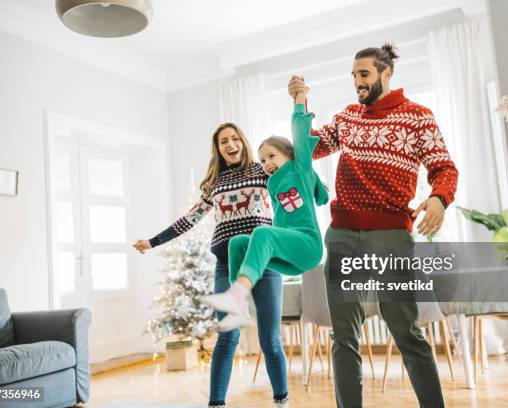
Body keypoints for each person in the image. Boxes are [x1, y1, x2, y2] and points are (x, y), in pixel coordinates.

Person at [287, 43, 459, 408]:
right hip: (343, 234)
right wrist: (300, 102)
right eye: (353, 76)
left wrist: (439, 199)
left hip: (391, 236)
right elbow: (308, 150)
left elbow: (444, 168)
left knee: (405, 330)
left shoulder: (417, 117)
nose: (357, 83)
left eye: (363, 74)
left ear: (386, 74)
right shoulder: (348, 117)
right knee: (344, 335)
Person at [133, 123, 289, 408]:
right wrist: (153, 241)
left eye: (234, 139)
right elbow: (188, 220)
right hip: (227, 265)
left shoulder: (262, 171)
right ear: (217, 149)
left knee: (270, 339)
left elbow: (290, 187)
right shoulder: (214, 184)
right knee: (227, 337)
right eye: (223, 141)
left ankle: (282, 401)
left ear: (242, 141)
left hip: (264, 263)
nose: (230, 145)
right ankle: (216, 403)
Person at [201, 89, 329, 335]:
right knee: (238, 242)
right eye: (262, 160)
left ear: (289, 155)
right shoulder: (272, 182)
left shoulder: (299, 168)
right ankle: (239, 309)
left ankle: (237, 294)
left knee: (263, 233)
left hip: (308, 246)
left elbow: (300, 133)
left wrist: (299, 98)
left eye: (272, 156)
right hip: (288, 256)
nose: (267, 163)